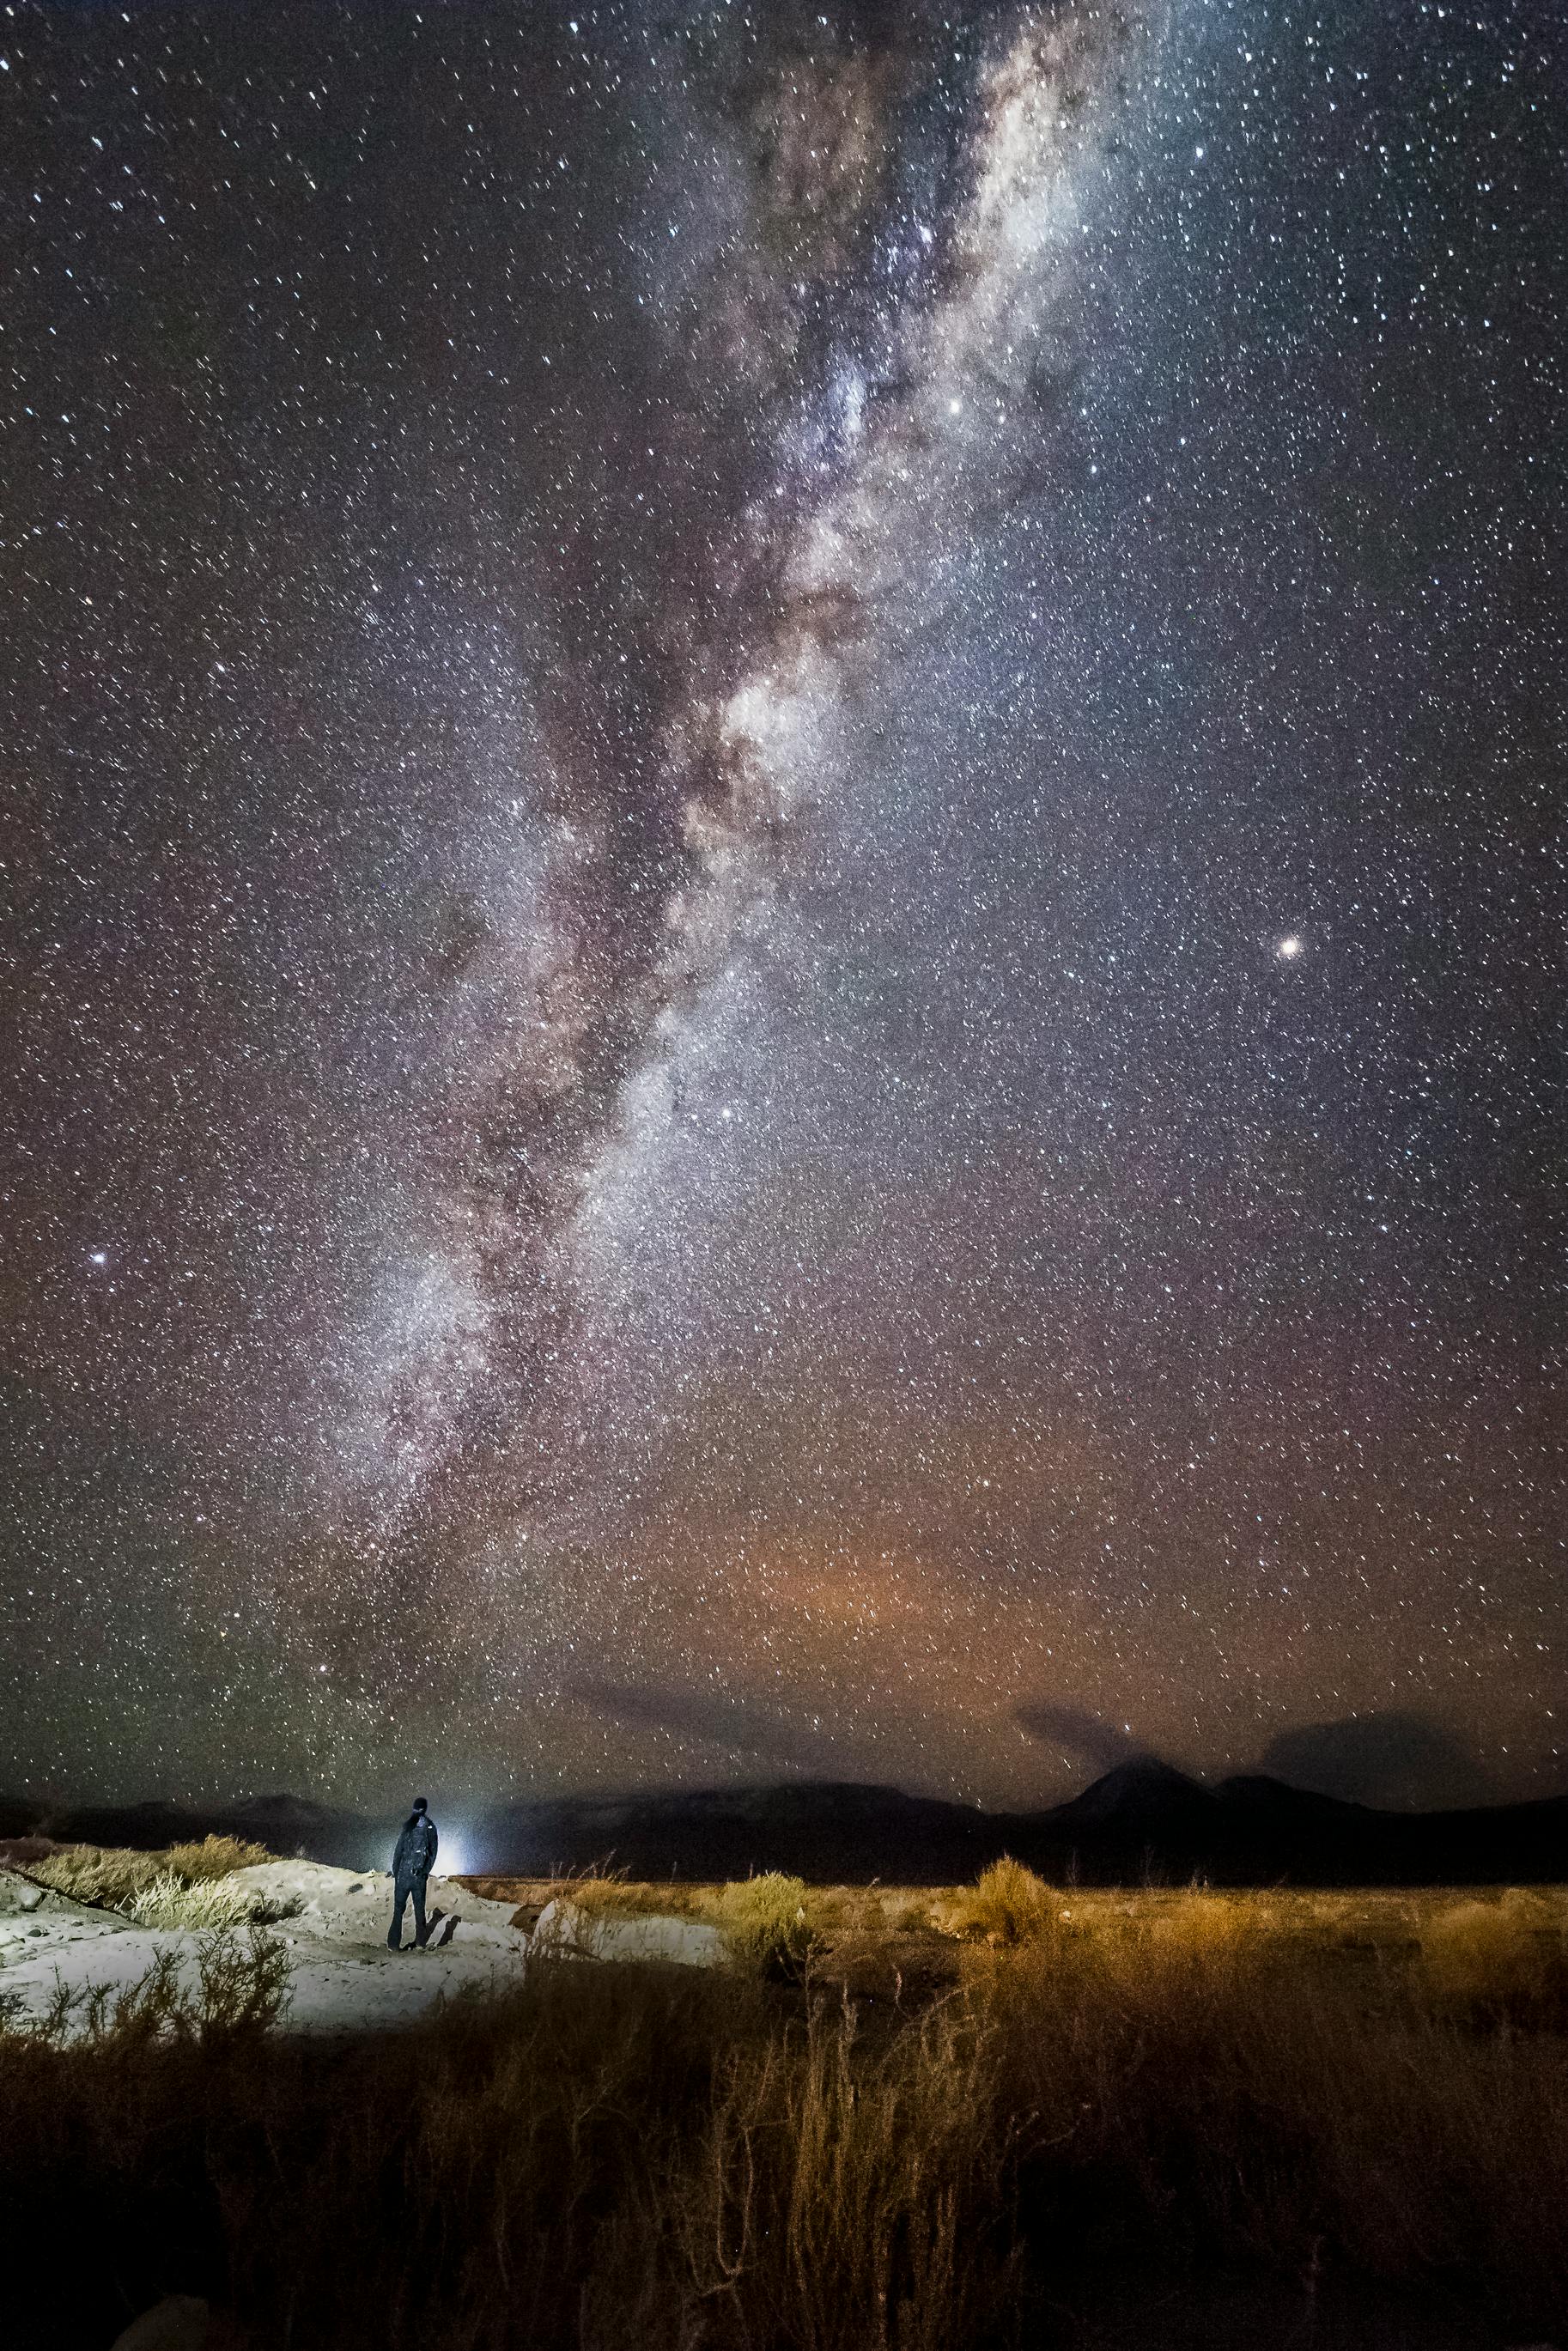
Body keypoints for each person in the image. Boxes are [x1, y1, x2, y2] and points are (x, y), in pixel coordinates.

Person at [387, 1796, 439, 1950]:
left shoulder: (408, 1826)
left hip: (404, 1874)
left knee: (398, 1911)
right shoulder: (430, 1827)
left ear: (414, 1808)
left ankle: (393, 1944)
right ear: (425, 1809)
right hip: (419, 1876)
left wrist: (397, 1872)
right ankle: (421, 1943)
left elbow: (398, 1851)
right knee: (419, 1910)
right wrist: (425, 1871)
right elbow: (433, 1853)